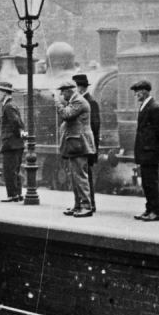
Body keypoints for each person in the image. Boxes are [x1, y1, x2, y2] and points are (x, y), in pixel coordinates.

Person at [56, 80, 97, 217]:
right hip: (75, 145)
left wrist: (58, 103)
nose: (61, 94)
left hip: (79, 145)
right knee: (75, 177)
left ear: (69, 91)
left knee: (80, 176)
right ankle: (78, 205)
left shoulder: (78, 101)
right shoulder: (75, 101)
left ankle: (86, 206)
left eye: (62, 91)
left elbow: (66, 115)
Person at [131, 80, 159, 222]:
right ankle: (149, 209)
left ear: (145, 91)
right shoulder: (145, 106)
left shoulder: (154, 108)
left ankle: (156, 211)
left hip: (150, 152)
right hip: (145, 152)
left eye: (137, 91)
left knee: (151, 183)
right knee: (147, 183)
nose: (135, 94)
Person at [72, 74, 101, 211]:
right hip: (80, 146)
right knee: (79, 176)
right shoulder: (79, 102)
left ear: (80, 88)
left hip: (86, 146)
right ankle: (79, 204)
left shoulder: (90, 102)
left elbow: (95, 128)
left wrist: (92, 149)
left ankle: (90, 204)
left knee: (85, 177)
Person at [0, 80, 25, 203]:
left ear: (5, 93)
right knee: (15, 170)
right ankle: (17, 194)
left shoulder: (8, 106)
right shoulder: (12, 105)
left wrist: (17, 135)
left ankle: (12, 195)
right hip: (15, 143)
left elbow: (16, 123)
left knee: (9, 170)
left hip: (11, 144)